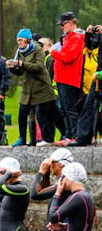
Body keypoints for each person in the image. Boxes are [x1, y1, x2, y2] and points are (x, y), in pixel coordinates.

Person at [8, 28, 57, 147]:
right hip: (27, 88)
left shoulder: (37, 49)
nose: (19, 42)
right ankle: (22, 138)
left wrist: (21, 64)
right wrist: (12, 67)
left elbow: (39, 67)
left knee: (41, 114)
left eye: (21, 39)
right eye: (17, 40)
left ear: (27, 39)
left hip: (40, 88)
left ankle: (45, 139)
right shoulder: (20, 51)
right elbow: (20, 72)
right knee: (22, 113)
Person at [48, 162, 98, 231]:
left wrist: (57, 193)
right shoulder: (87, 196)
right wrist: (64, 227)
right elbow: (83, 223)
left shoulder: (76, 196)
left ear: (68, 178)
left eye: (62, 177)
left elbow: (53, 217)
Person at [30, 148, 74, 231]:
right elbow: (44, 190)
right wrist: (47, 174)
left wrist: (41, 171)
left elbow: (35, 194)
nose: (49, 165)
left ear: (60, 164)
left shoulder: (65, 183)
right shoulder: (62, 182)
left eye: (52, 163)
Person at [50, 12, 85, 145]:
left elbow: (67, 58)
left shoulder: (76, 38)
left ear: (70, 23)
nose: (62, 28)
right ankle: (68, 135)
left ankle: (75, 136)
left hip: (68, 79)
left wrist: (52, 52)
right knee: (64, 109)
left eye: (63, 24)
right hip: (62, 78)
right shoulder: (69, 38)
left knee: (70, 109)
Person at [68, 24, 102, 146]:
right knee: (88, 107)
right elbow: (89, 46)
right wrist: (88, 34)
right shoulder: (88, 51)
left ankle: (84, 138)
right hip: (95, 80)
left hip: (98, 76)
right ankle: (83, 138)